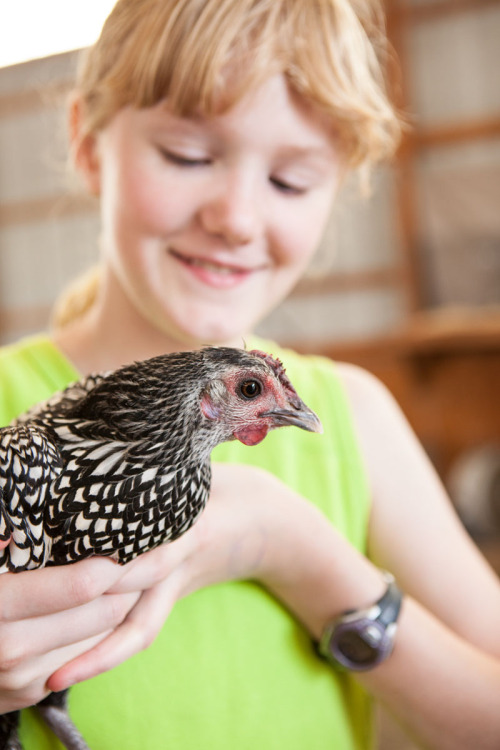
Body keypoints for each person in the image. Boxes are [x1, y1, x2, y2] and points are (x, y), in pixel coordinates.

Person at [0, 0, 499, 747]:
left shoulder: (356, 417)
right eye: (188, 156)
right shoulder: (17, 428)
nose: (235, 216)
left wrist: (299, 553)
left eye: (291, 181)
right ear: (88, 143)